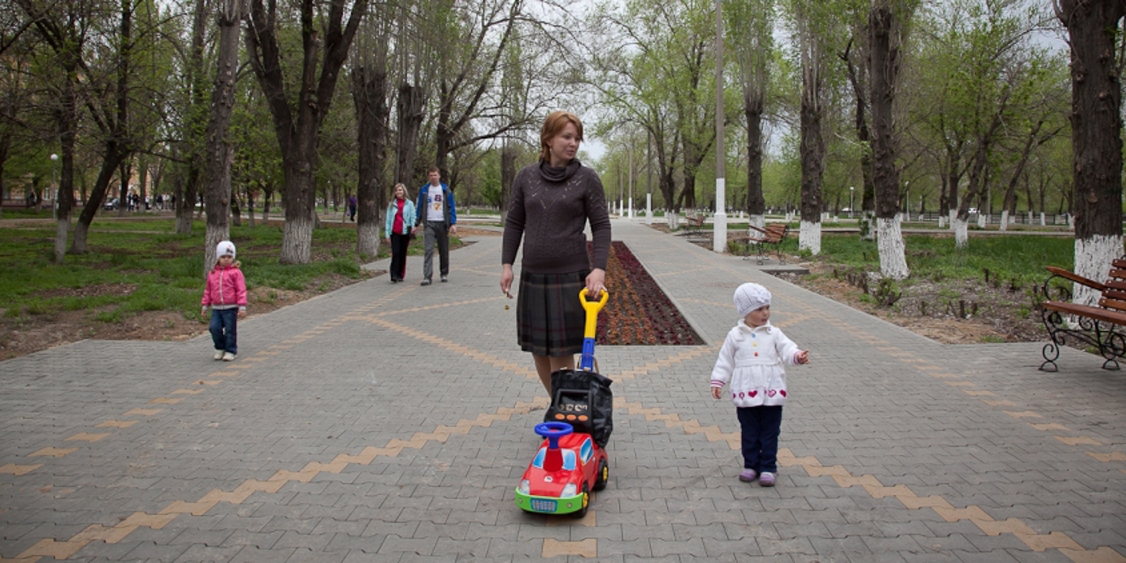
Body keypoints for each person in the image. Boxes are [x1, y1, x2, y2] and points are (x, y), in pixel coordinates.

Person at [500, 110, 611, 394]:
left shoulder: (587, 178)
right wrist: (507, 264)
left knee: (562, 353)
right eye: (566, 137)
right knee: (539, 351)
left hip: (569, 276)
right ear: (548, 139)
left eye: (577, 138)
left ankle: (571, 408)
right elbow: (514, 222)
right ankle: (559, 405)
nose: (573, 143)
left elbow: (601, 225)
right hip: (534, 275)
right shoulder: (525, 177)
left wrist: (599, 268)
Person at [710, 283, 810, 487]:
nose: (765, 313)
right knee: (749, 431)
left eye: (767, 308)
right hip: (745, 392)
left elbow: (788, 349)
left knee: (770, 431)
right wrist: (718, 380)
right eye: (759, 309)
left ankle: (768, 467)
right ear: (745, 312)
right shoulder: (735, 335)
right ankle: (750, 465)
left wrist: (797, 356)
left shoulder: (774, 333)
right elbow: (725, 360)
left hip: (771, 392)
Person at [201, 241, 248, 361]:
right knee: (214, 328)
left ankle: (231, 350)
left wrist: (242, 306)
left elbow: (241, 290)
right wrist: (205, 305)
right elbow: (208, 290)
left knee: (230, 330)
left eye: (229, 257)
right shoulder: (212, 273)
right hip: (216, 307)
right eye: (223, 257)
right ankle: (220, 347)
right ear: (218, 257)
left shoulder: (236, 273)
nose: (226, 259)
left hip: (231, 307)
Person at [412, 167, 457, 285]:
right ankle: (427, 276)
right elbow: (419, 207)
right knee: (428, 250)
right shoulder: (424, 190)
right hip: (429, 223)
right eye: (431, 175)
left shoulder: (445, 190)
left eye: (435, 175)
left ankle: (444, 273)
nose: (433, 177)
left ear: (439, 176)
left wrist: (452, 223)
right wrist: (416, 223)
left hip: (443, 223)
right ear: (428, 177)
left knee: (443, 250)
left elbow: (451, 207)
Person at [384, 183, 416, 283]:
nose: (398, 192)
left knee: (402, 253)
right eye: (397, 190)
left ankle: (400, 274)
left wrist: (413, 227)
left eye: (400, 190)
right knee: (396, 253)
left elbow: (413, 217)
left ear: (404, 191)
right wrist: (387, 234)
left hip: (405, 232)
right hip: (395, 232)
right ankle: (394, 274)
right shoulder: (392, 205)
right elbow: (388, 220)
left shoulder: (409, 204)